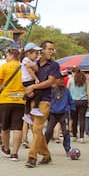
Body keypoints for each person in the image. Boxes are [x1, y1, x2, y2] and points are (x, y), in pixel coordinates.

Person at [24, 40, 61, 168]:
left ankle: (32, 157)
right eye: (49, 49)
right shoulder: (35, 63)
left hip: (45, 100)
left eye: (52, 49)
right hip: (33, 99)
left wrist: (33, 86)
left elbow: (50, 82)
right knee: (35, 129)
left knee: (37, 128)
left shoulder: (54, 65)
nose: (51, 51)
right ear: (42, 50)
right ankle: (46, 154)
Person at [0, 48, 25, 161]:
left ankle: (7, 149)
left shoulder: (4, 66)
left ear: (10, 55)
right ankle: (15, 153)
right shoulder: (23, 67)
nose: (6, 57)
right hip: (20, 100)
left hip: (5, 100)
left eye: (6, 55)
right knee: (18, 128)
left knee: (5, 127)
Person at [45, 76, 72, 157]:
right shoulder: (51, 90)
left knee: (65, 132)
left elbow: (70, 100)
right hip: (53, 113)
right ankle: (43, 147)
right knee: (48, 131)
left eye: (62, 79)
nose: (61, 80)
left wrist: (71, 109)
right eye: (59, 79)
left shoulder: (66, 90)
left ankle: (68, 149)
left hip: (63, 113)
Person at [68, 67, 89, 143]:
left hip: (73, 101)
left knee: (74, 119)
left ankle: (74, 135)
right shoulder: (85, 81)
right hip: (83, 101)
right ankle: (81, 137)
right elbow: (88, 92)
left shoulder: (70, 80)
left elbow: (67, 91)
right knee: (82, 119)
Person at [21, 43, 42, 120]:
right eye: (35, 53)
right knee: (39, 91)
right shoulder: (26, 60)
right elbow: (30, 71)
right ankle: (35, 107)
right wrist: (36, 79)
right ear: (28, 53)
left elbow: (36, 69)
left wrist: (33, 65)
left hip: (27, 80)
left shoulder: (32, 60)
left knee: (30, 97)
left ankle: (26, 114)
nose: (37, 55)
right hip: (28, 80)